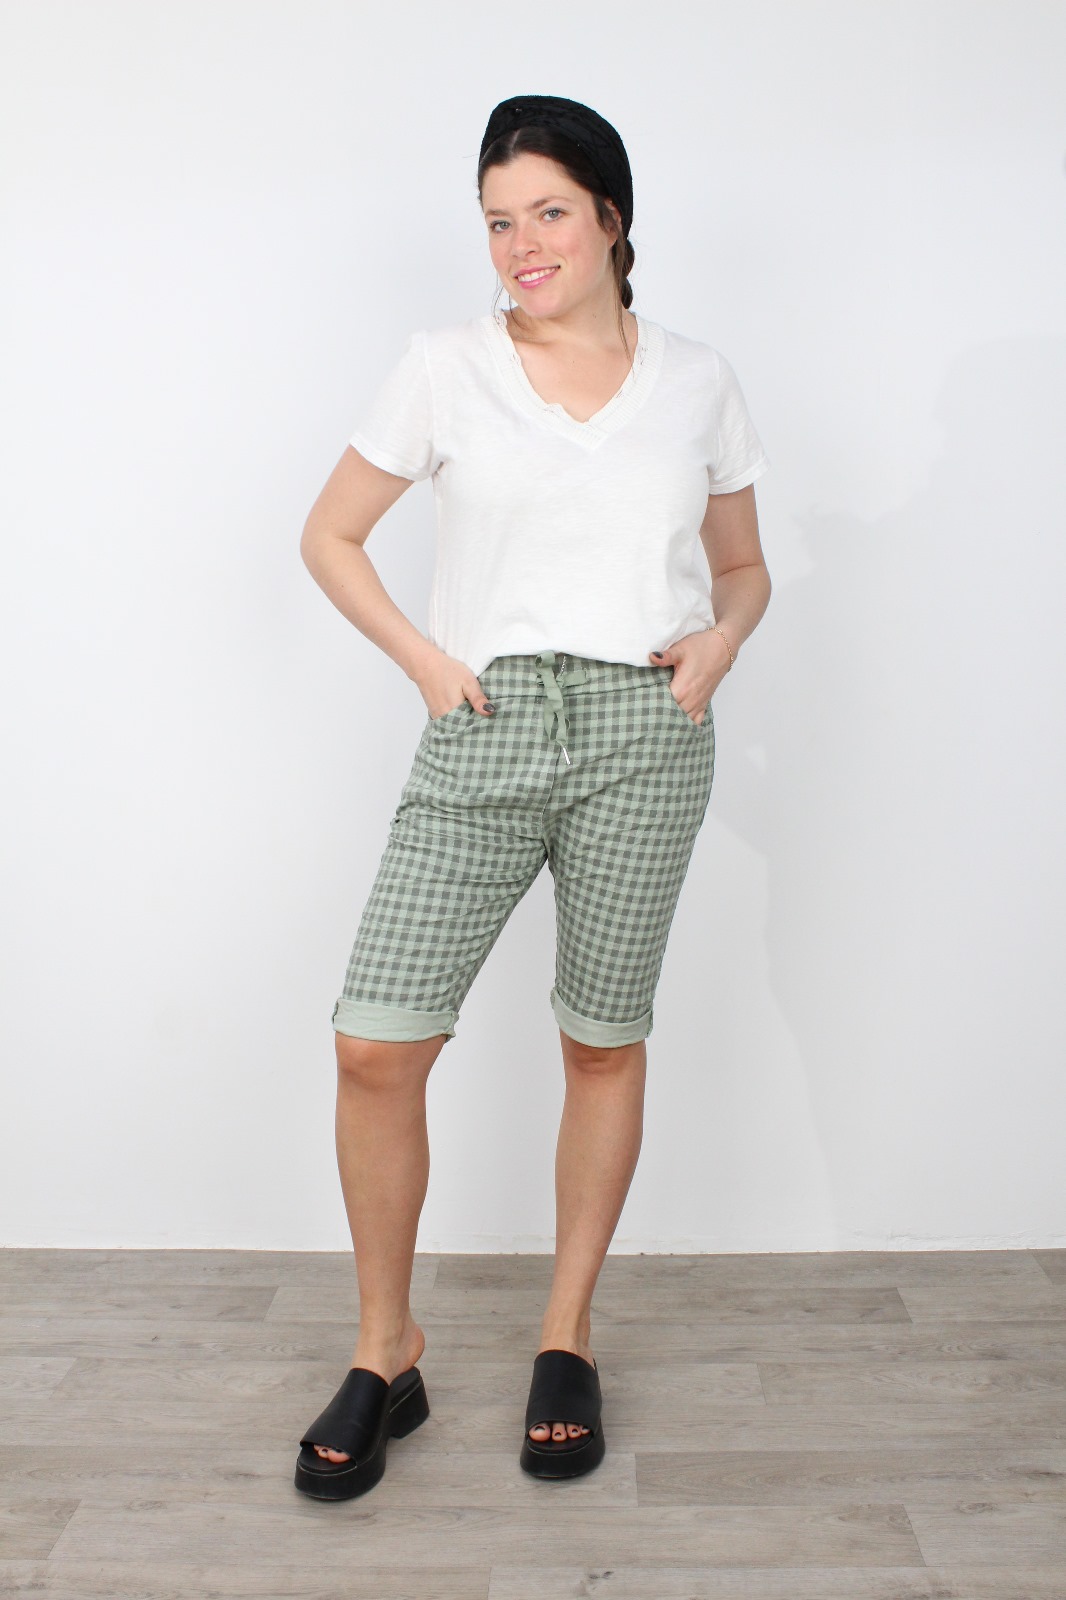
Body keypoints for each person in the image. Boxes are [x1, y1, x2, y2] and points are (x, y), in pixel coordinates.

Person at [294, 93, 772, 1501]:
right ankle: (387, 1349)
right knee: (376, 1043)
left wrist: (719, 646)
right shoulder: (443, 366)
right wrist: (427, 664)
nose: (522, 246)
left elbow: (741, 569)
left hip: (643, 733)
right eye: (499, 222)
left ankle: (567, 1336)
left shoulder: (698, 380)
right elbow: (330, 534)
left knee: (601, 1043)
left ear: (611, 218)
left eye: (549, 212)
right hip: (486, 724)